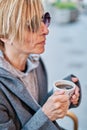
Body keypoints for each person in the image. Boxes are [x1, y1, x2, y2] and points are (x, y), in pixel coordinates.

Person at [0, 0, 81, 130]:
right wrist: (46, 115)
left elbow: (34, 107)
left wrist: (61, 97)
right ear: (4, 35)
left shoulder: (35, 63)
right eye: (32, 25)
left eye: (44, 19)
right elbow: (41, 114)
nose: (45, 30)